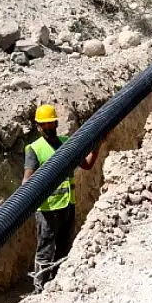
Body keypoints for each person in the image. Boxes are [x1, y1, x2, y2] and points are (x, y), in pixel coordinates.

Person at [23, 104, 104, 293]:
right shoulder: (35, 149)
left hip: (68, 206)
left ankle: (58, 285)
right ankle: (39, 288)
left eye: (51, 123)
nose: (49, 128)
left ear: (57, 123)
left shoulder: (67, 142)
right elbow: (27, 182)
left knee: (64, 248)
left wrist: (98, 145)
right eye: (45, 125)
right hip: (47, 211)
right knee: (45, 250)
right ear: (38, 127)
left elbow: (87, 165)